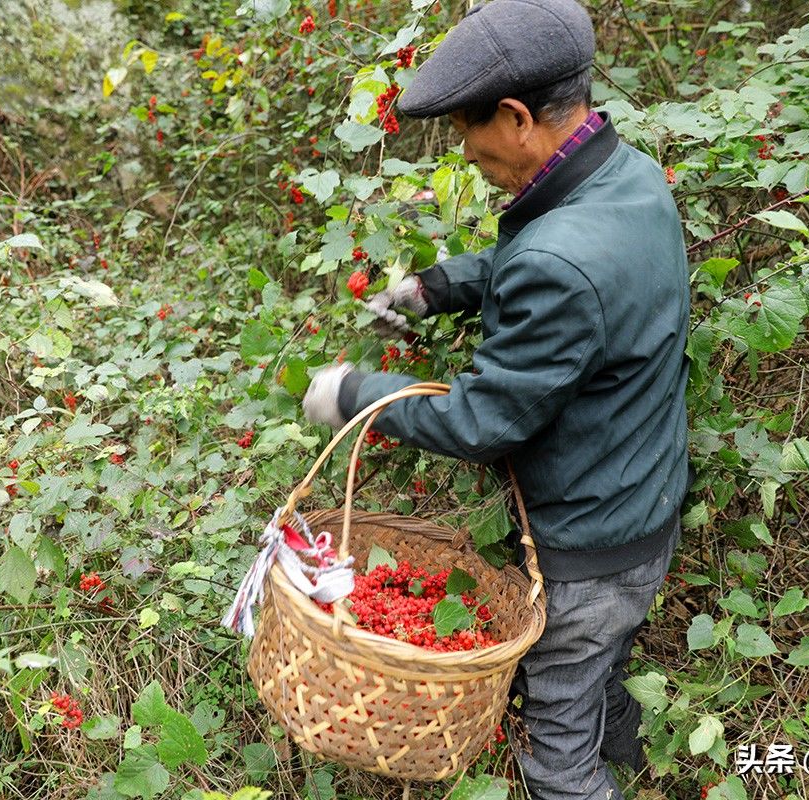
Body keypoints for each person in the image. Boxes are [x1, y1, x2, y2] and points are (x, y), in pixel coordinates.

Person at [302, 1, 693, 797]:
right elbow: (562, 266)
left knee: (557, 760)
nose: (464, 151)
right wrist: (439, 286)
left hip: (586, 554)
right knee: (600, 676)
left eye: (467, 134)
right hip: (645, 512)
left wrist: (353, 394)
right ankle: (641, 768)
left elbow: (483, 420)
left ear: (517, 118)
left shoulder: (561, 260)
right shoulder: (629, 177)